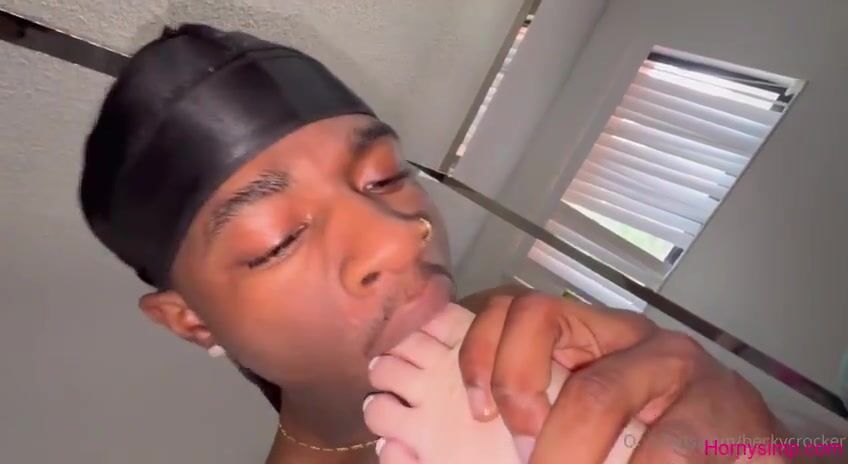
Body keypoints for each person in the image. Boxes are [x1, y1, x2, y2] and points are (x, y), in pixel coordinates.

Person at [78, 24, 793, 464]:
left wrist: (762, 442)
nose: (398, 238)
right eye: (279, 239)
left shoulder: (529, 330)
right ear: (190, 319)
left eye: (385, 177)